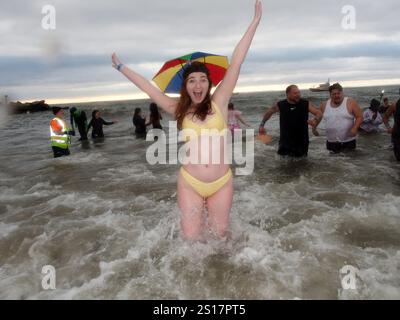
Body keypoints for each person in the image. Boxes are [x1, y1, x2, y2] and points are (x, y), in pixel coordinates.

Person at [112, 0, 263, 240]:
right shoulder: (178, 109)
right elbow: (150, 91)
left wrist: (254, 22)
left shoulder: (220, 102)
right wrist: (121, 67)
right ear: (186, 85)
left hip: (221, 182)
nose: (198, 84)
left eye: (202, 79)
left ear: (209, 83)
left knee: (220, 238)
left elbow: (237, 61)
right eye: (192, 80)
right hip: (190, 182)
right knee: (191, 241)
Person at [258, 85, 322, 158]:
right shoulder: (281, 105)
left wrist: (315, 120)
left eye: (299, 93)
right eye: (295, 93)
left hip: (301, 141)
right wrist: (262, 125)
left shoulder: (305, 104)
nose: (298, 95)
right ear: (288, 94)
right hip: (285, 141)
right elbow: (269, 112)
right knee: (282, 164)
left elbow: (319, 113)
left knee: (302, 165)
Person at [315, 83, 363, 153]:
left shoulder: (350, 102)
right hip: (331, 143)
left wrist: (355, 128)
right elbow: (318, 118)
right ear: (330, 95)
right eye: (334, 94)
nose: (336, 95)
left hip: (348, 142)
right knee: (332, 163)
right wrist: (314, 128)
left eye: (338, 93)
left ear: (342, 93)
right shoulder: (324, 104)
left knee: (350, 163)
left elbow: (359, 116)